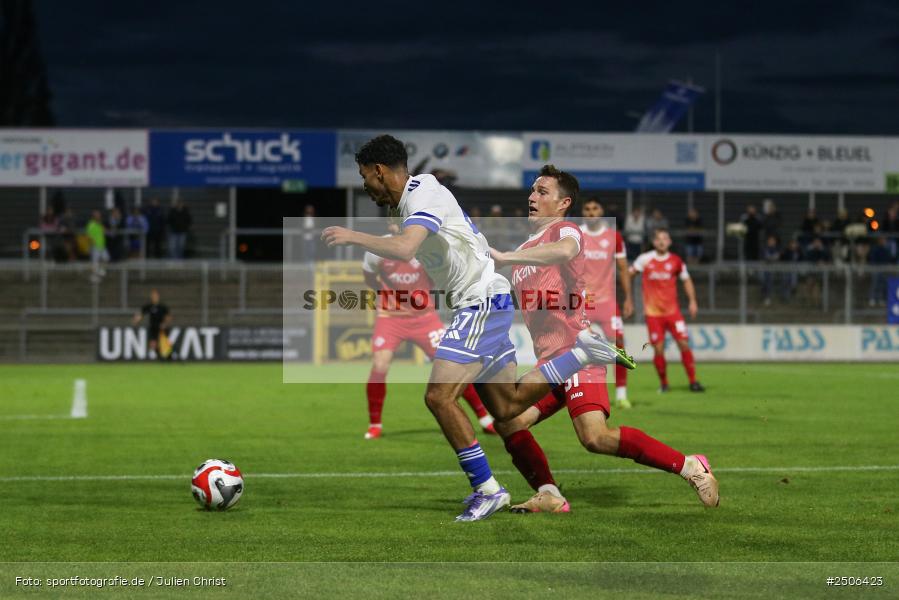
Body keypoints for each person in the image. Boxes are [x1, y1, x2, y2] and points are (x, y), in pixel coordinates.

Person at [322, 136, 632, 521]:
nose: (364, 185)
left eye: (365, 176)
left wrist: (351, 235)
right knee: (507, 407)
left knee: (438, 397)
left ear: (379, 171)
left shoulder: (423, 192)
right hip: (485, 299)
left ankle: (486, 488)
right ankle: (582, 355)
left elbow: (404, 249)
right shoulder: (412, 203)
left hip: (480, 300)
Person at [488, 176, 719, 513]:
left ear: (564, 203)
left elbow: (567, 251)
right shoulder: (526, 250)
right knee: (509, 421)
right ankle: (549, 493)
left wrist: (505, 258)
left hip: (578, 354)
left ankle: (691, 467)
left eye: (542, 192)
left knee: (595, 438)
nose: (532, 197)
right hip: (550, 364)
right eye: (532, 190)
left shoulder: (564, 233)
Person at [361, 222, 496, 439]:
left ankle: (484, 417)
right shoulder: (377, 249)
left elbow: (443, 275)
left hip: (425, 319)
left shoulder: (426, 247)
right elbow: (369, 278)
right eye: (395, 221)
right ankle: (374, 424)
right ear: (390, 224)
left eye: (404, 220)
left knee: (452, 367)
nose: (399, 225)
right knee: (380, 364)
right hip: (390, 319)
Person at [632, 229, 705, 392]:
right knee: (658, 348)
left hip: (673, 313)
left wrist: (693, 301)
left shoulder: (676, 261)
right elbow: (629, 274)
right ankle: (664, 384)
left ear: (670, 241)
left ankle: (694, 381)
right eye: (658, 239)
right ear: (654, 242)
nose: (662, 241)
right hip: (653, 314)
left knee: (684, 344)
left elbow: (686, 280)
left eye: (665, 238)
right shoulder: (645, 259)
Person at [579, 197, 634, 409]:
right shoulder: (576, 235)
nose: (591, 212)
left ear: (601, 211)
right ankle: (587, 393)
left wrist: (628, 297)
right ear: (583, 212)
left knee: (619, 346)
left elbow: (622, 268)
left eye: (595, 208)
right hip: (583, 302)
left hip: (608, 302)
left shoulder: (614, 237)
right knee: (582, 349)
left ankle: (621, 394)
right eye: (587, 208)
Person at [132, 289, 172, 360]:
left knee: (164, 343)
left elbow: (168, 317)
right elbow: (141, 314)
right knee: (153, 344)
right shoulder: (149, 306)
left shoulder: (162, 307)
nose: (154, 297)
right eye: (153, 296)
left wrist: (165, 324)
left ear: (158, 297)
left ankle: (168, 357)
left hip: (161, 328)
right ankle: (160, 357)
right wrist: (136, 320)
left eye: (155, 296)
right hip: (153, 327)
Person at [86, 210, 109, 282]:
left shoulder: (100, 224)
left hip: (102, 245)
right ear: (94, 216)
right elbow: (89, 236)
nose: (99, 216)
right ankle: (94, 277)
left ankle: (100, 273)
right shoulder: (91, 225)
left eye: (99, 215)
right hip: (95, 246)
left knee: (106, 258)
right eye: (97, 215)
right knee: (95, 263)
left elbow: (105, 232)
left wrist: (105, 230)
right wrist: (91, 246)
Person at [760, 235, 781, 306]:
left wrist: (771, 258)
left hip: (773, 269)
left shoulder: (777, 249)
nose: (771, 242)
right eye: (770, 240)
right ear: (767, 241)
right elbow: (766, 257)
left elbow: (776, 257)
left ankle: (767, 297)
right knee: (763, 278)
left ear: (775, 242)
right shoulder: (764, 248)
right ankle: (764, 294)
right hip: (764, 269)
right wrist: (771, 258)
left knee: (769, 279)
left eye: (773, 241)